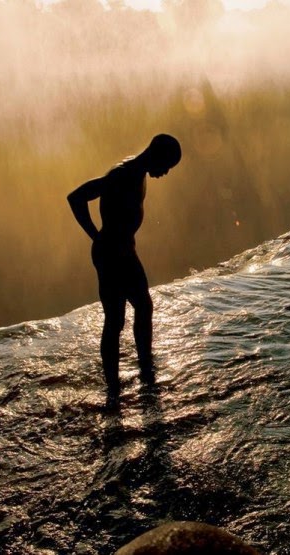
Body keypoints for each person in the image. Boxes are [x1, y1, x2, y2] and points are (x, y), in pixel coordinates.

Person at [68, 134, 181, 408]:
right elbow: (77, 197)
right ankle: (114, 389)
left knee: (144, 306)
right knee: (115, 320)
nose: (164, 174)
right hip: (111, 255)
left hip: (125, 252)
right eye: (165, 166)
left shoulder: (138, 172)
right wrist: (95, 235)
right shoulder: (123, 174)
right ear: (155, 155)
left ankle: (145, 368)